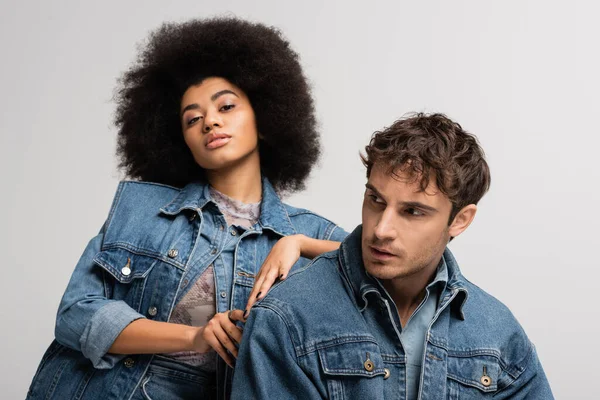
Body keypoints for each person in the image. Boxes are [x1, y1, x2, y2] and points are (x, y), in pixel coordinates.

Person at [26, 17, 347, 400]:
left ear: (265, 119)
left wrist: (298, 244)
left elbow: (393, 271)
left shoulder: (310, 233)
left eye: (226, 106)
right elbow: (75, 314)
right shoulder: (142, 210)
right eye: (193, 119)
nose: (210, 121)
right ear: (182, 142)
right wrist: (195, 336)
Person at [232, 113, 554, 399]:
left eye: (412, 211)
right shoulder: (288, 317)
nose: (381, 229)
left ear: (460, 220)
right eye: (376, 199)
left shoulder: (498, 332)